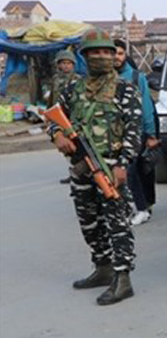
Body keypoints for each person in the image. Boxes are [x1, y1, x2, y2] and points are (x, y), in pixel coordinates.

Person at [48, 28, 141, 305]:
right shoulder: (72, 89)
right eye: (95, 52)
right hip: (81, 167)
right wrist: (58, 135)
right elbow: (54, 118)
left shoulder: (126, 89)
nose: (102, 57)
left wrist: (123, 164)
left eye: (106, 52)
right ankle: (102, 268)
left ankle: (123, 278)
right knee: (88, 222)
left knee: (117, 223)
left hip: (111, 168)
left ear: (114, 56)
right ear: (85, 56)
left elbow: (133, 131)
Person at [113, 39, 158, 226]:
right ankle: (132, 208)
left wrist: (151, 133)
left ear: (125, 55)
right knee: (122, 173)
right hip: (113, 134)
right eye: (113, 53)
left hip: (134, 132)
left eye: (120, 53)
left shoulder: (136, 77)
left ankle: (141, 209)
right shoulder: (104, 78)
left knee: (129, 171)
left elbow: (147, 105)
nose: (116, 57)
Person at [49, 50, 82, 184]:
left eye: (69, 63)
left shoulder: (78, 80)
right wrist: (48, 114)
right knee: (64, 146)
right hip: (58, 116)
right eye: (63, 63)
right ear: (58, 65)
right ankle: (73, 169)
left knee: (75, 145)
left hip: (72, 117)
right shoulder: (56, 79)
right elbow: (52, 98)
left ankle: (79, 170)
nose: (66, 66)